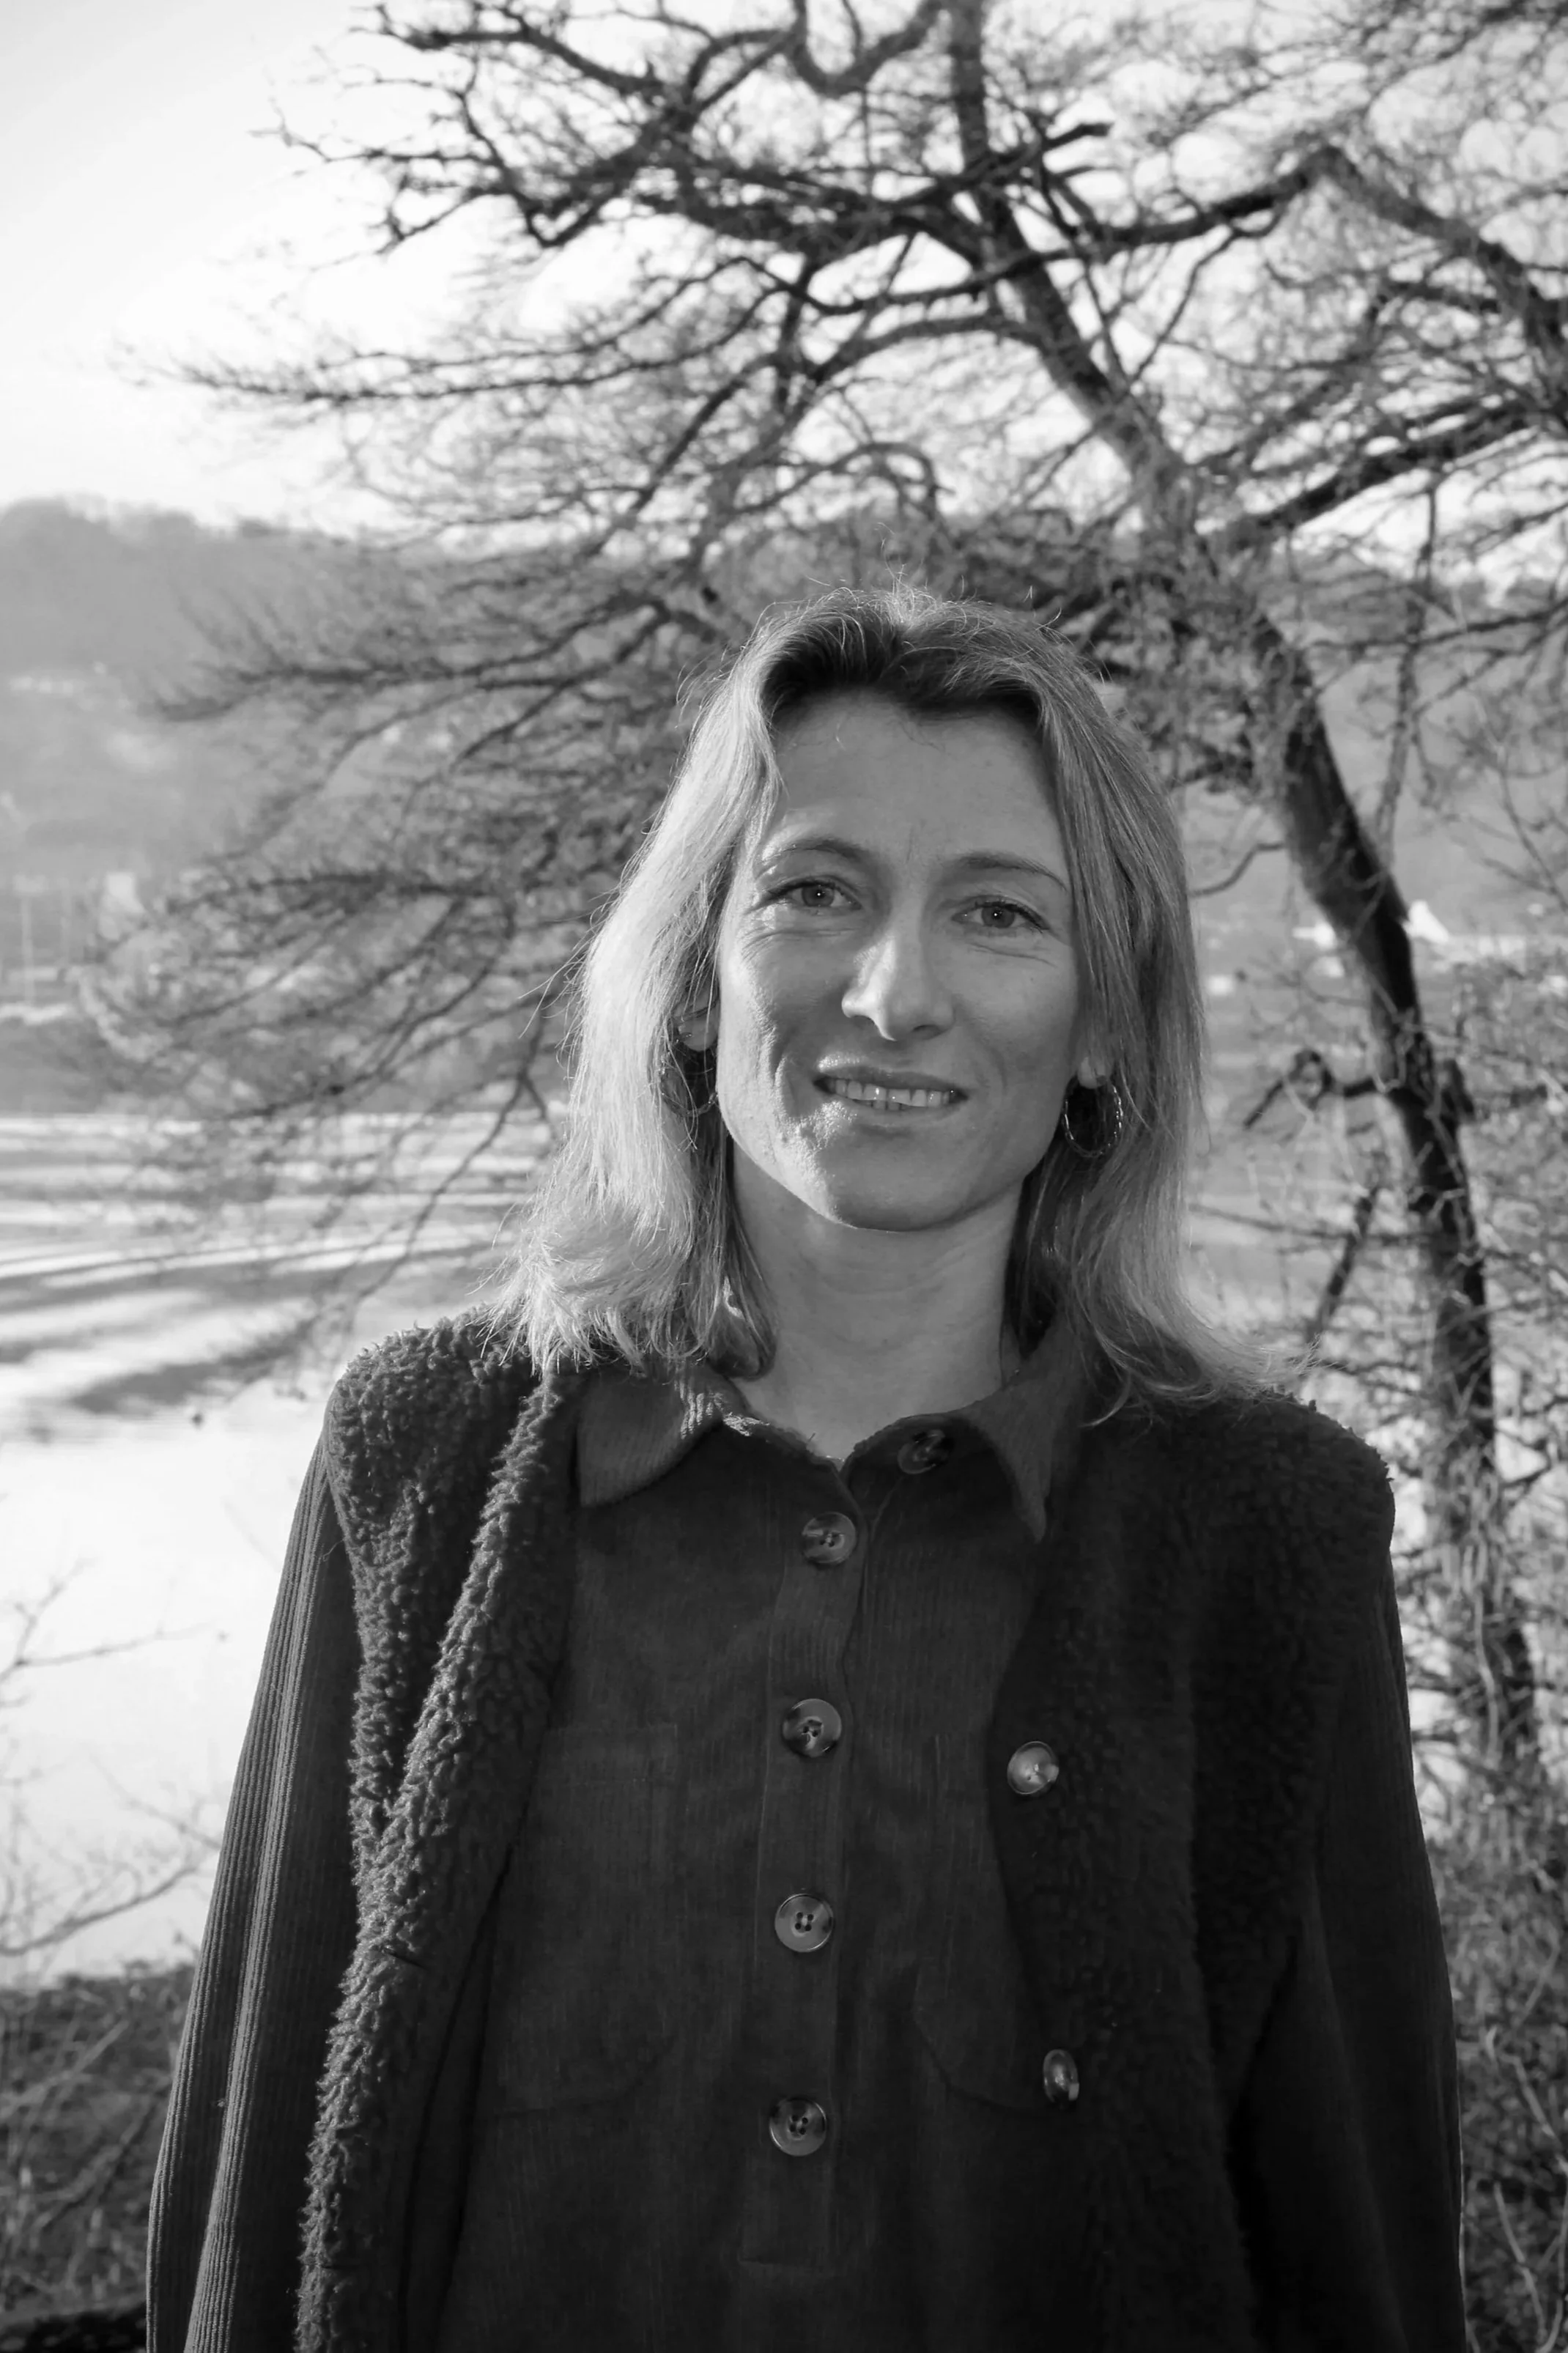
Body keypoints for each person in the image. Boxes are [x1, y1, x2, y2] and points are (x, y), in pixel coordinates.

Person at [147, 585, 1465, 2353]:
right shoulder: (427, 1465)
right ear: (694, 979)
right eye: (813, 892)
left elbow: (1355, 2246)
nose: (893, 991)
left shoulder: (1265, 1529)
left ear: (1098, 1026)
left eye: (997, 914)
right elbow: (258, 2165)